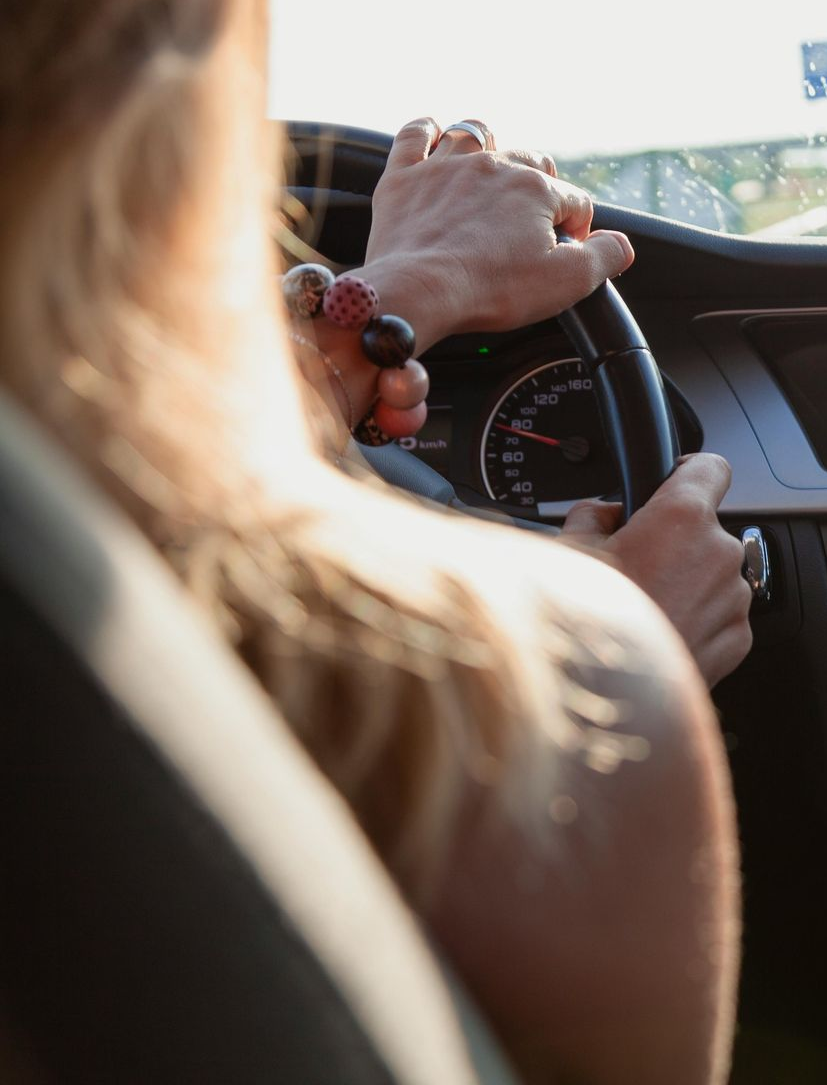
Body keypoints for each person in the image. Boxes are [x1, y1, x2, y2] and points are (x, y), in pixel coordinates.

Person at [0, 1, 750, 1082]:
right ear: (180, 109)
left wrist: (388, 300)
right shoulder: (587, 687)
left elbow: (73, 434)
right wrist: (607, 668)